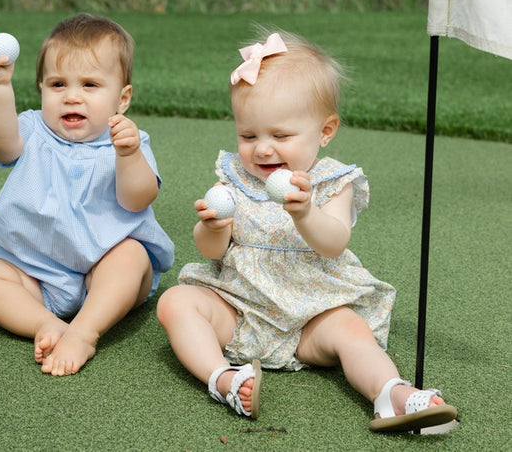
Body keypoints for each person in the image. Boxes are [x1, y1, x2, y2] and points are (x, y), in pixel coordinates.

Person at [156, 30, 457, 432]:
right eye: (249, 135)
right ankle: (223, 379)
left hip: (313, 316)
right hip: (241, 308)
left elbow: (334, 242)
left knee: (351, 329)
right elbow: (212, 251)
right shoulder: (233, 178)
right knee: (175, 301)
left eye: (280, 135)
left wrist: (306, 214)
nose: (262, 149)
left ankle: (391, 394)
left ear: (325, 131)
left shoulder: (335, 181)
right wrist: (213, 225)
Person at [0, 13, 174, 376]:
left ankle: (85, 330)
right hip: (35, 273)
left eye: (91, 85)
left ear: (122, 98)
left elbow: (137, 199)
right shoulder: (33, 130)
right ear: (42, 88)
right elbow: (1, 144)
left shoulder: (127, 141)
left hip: (105, 272)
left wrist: (128, 156)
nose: (72, 97)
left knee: (131, 256)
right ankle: (45, 323)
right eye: (58, 84)